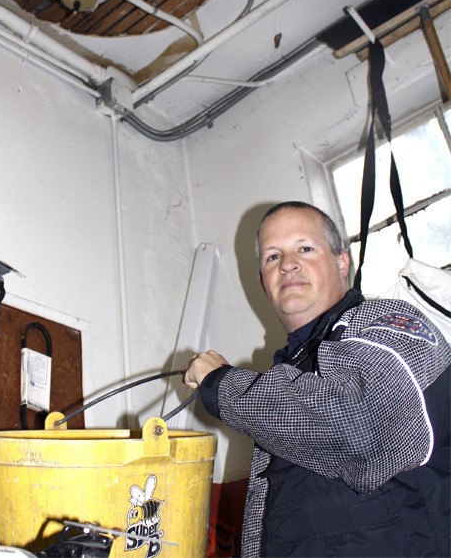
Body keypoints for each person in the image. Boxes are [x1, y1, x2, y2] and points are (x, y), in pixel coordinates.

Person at [184, 201, 450, 557]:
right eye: (272, 257)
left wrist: (222, 382)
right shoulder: (286, 383)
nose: (287, 264)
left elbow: (357, 426)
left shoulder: (391, 324)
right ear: (263, 282)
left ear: (342, 262)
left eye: (305, 248)